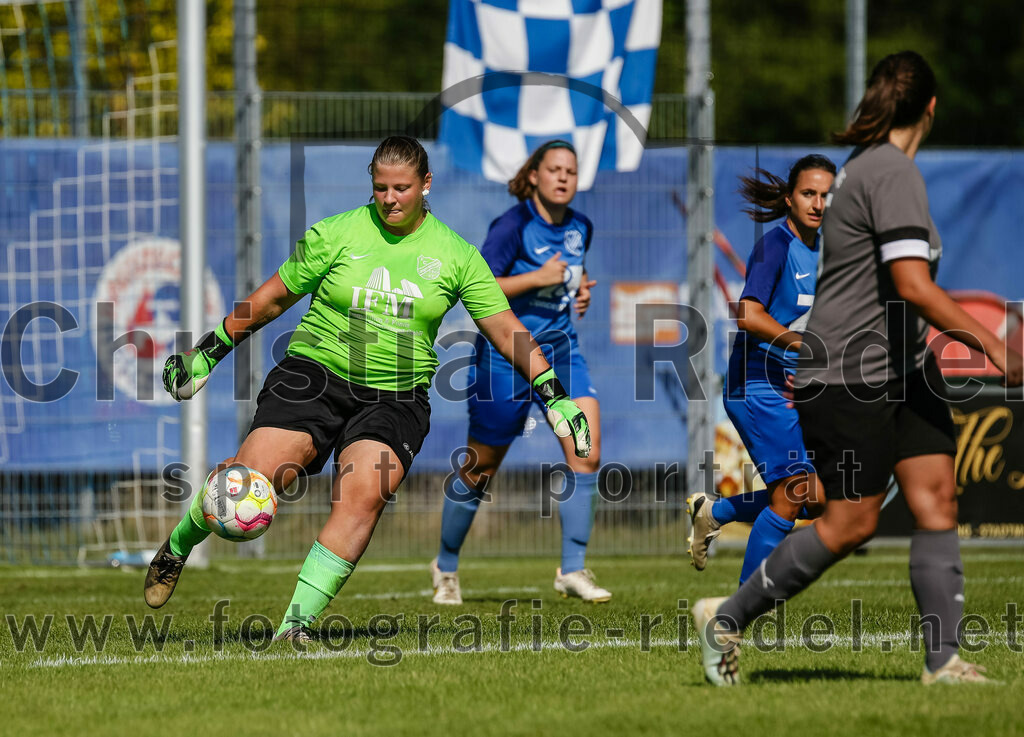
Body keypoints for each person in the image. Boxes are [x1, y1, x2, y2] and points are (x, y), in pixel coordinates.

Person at [144, 136, 591, 643]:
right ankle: (177, 547)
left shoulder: (455, 255)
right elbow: (271, 300)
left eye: (402, 188)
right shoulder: (336, 234)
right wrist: (208, 352)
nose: (390, 198)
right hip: (313, 374)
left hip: (395, 397)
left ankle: (295, 627)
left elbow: (506, 328)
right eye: (380, 188)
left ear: (426, 185)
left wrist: (554, 395)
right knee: (254, 483)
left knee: (362, 496)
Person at [692, 51, 1023, 686]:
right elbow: (914, 284)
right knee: (849, 521)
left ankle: (943, 662)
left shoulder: (867, 171)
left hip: (903, 369)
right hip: (848, 373)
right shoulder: (891, 172)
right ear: (930, 107)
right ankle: (728, 617)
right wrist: (995, 347)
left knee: (935, 499)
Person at [429, 140, 610, 604]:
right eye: (554, 169)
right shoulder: (512, 225)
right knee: (481, 467)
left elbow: (570, 280)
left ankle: (572, 567)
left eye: (571, 170)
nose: (564, 177)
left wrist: (578, 293)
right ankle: (445, 565)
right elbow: (479, 288)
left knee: (585, 451)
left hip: (562, 351)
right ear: (534, 175)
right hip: (506, 357)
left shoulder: (581, 227)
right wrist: (537, 279)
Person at [688, 155, 835, 583]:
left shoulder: (828, 251)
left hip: (793, 388)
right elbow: (748, 315)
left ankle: (714, 512)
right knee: (791, 496)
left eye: (826, 195)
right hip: (755, 386)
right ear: (790, 198)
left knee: (818, 498)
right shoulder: (776, 246)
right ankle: (741, 610)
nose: (818, 203)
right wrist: (803, 347)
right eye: (809, 193)